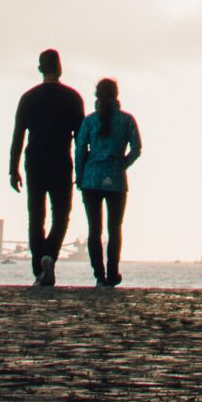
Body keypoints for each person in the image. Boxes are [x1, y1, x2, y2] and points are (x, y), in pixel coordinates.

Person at [9, 48, 85, 289]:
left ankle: (39, 267)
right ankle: (49, 256)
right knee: (61, 215)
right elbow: (81, 140)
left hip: (35, 162)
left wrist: (13, 169)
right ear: (60, 68)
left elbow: (18, 137)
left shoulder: (28, 98)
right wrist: (81, 168)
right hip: (62, 161)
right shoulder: (73, 98)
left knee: (36, 216)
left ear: (41, 68)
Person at [74, 76, 141, 289]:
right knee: (114, 229)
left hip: (91, 179)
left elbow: (79, 149)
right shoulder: (127, 120)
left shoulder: (90, 121)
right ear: (117, 95)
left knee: (94, 229)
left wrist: (80, 174)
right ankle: (113, 273)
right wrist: (123, 164)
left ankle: (99, 275)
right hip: (116, 180)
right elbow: (137, 148)